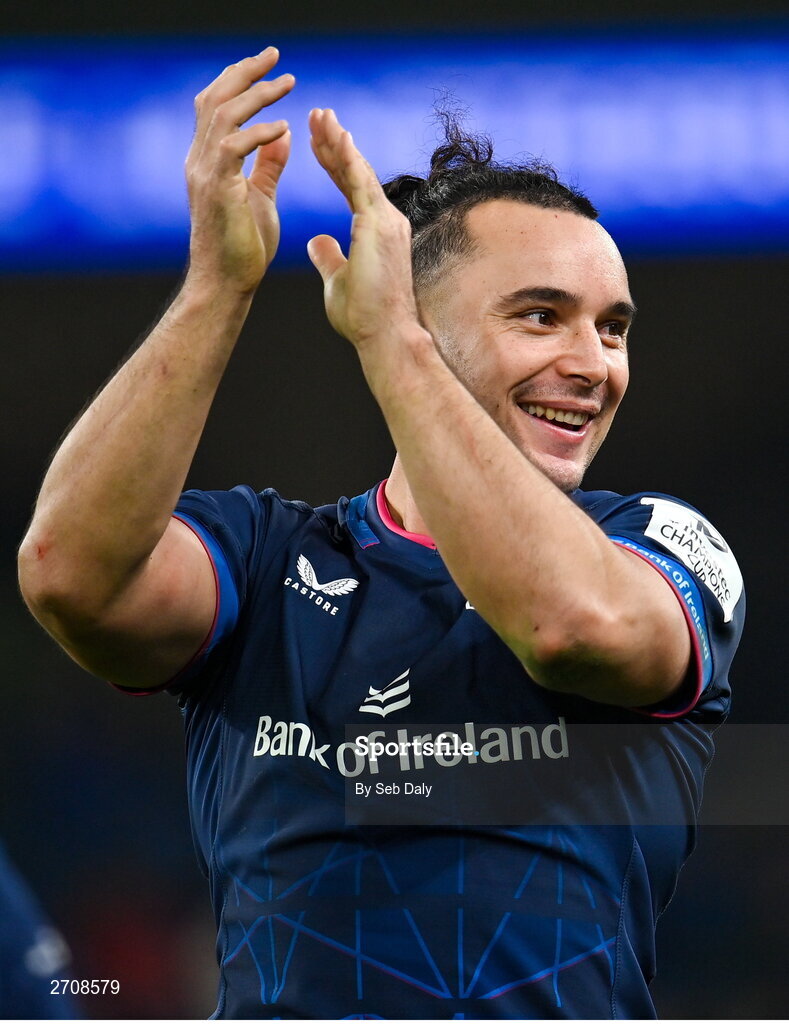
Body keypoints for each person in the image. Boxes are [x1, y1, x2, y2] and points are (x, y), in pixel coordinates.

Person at [18, 47, 744, 1019]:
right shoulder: (268, 559)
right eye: (543, 316)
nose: (593, 363)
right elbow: (72, 576)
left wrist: (396, 349)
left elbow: (570, 622)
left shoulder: (663, 547)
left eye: (613, 329)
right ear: (415, 314)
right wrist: (215, 287)